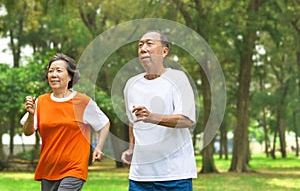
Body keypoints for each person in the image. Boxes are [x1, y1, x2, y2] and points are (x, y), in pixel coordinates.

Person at [21, 53, 110, 191]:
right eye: (50, 71)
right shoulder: (40, 101)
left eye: (59, 70)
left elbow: (104, 124)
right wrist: (31, 115)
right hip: (49, 169)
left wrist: (98, 147)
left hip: (74, 168)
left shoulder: (83, 102)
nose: (53, 74)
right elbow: (28, 132)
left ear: (70, 76)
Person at [121, 30, 197, 190]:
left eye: (149, 43)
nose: (143, 48)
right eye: (140, 45)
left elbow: (187, 120)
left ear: (164, 51)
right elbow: (133, 120)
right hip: (140, 176)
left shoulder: (178, 78)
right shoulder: (131, 84)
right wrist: (131, 149)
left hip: (175, 174)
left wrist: (151, 117)